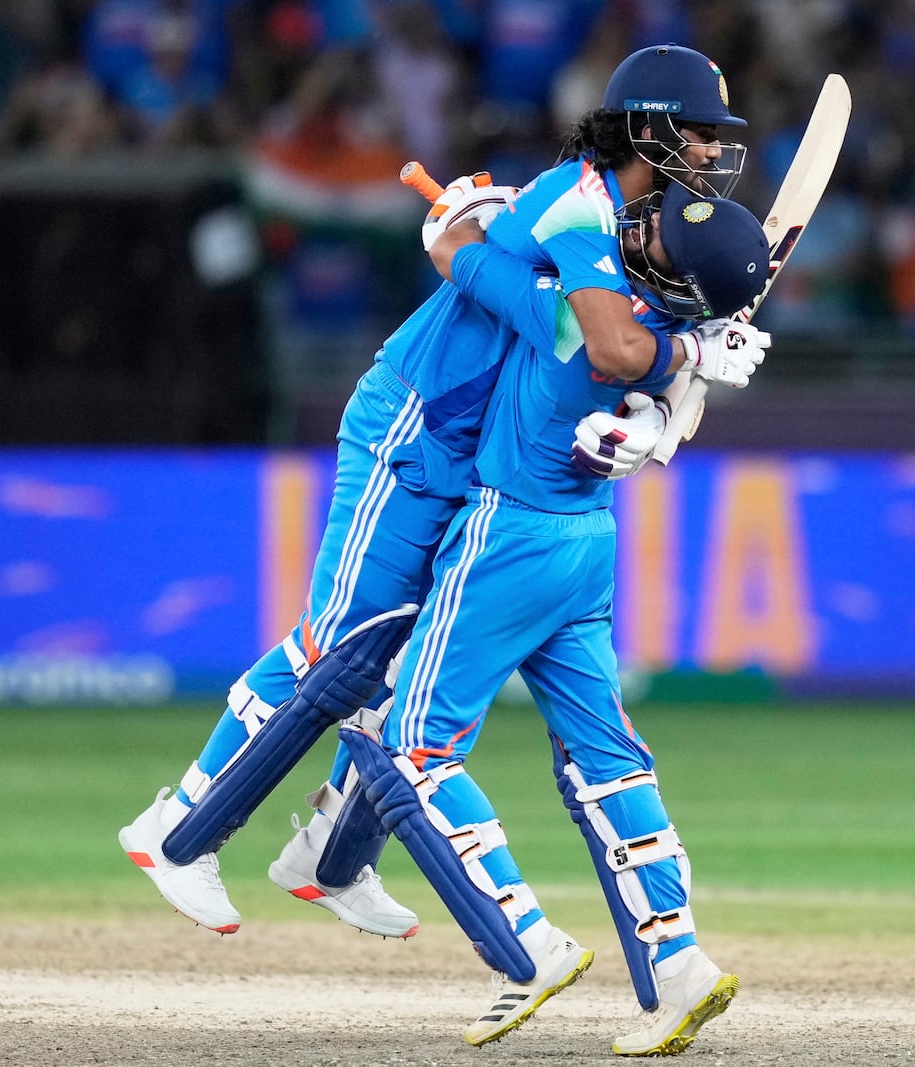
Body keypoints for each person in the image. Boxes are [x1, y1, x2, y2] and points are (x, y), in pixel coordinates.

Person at [118, 43, 755, 939]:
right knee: (339, 643)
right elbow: (598, 342)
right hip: (413, 424)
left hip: (477, 449)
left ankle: (330, 856)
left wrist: (652, 412)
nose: (710, 155)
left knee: (404, 674)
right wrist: (688, 353)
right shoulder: (582, 201)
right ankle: (176, 827)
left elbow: (591, 351)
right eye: (696, 134)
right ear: (646, 127)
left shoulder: (637, 223)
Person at [340, 178, 770, 1055]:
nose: (639, 224)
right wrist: (684, 360)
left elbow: (455, 257)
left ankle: (524, 941)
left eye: (653, 236)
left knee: (406, 748)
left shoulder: (580, 312)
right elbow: (638, 365)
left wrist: (461, 218)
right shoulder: (654, 334)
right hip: (585, 548)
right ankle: (678, 966)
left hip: (509, 536)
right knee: (605, 760)